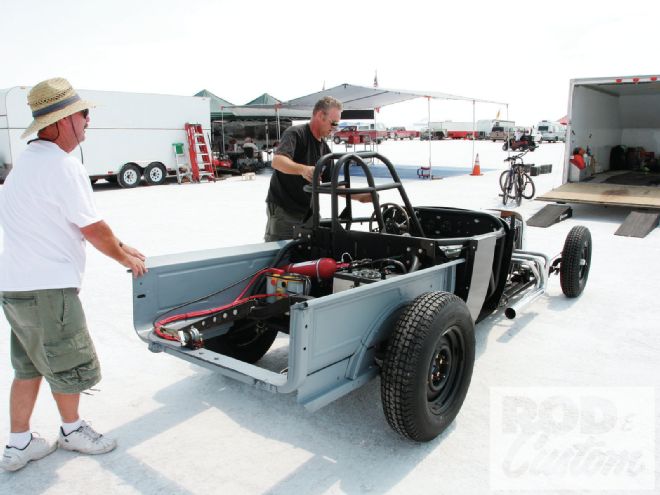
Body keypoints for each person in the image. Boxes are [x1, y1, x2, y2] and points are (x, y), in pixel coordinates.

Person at [0, 78, 147, 472]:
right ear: (63, 120)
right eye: (83, 115)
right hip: (49, 289)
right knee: (68, 363)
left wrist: (122, 244)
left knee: (28, 366)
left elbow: (61, 221)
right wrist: (124, 258)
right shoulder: (63, 166)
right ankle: (72, 430)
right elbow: (92, 228)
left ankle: (19, 443)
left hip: (15, 289)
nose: (87, 123)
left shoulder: (25, 165)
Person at [264, 96, 371, 241]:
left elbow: (332, 186)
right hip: (285, 210)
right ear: (320, 116)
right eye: (333, 123)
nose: (334, 129)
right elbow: (277, 161)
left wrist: (360, 196)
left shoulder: (325, 150)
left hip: (308, 212)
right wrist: (303, 169)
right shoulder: (296, 133)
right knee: (281, 256)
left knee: (311, 255)